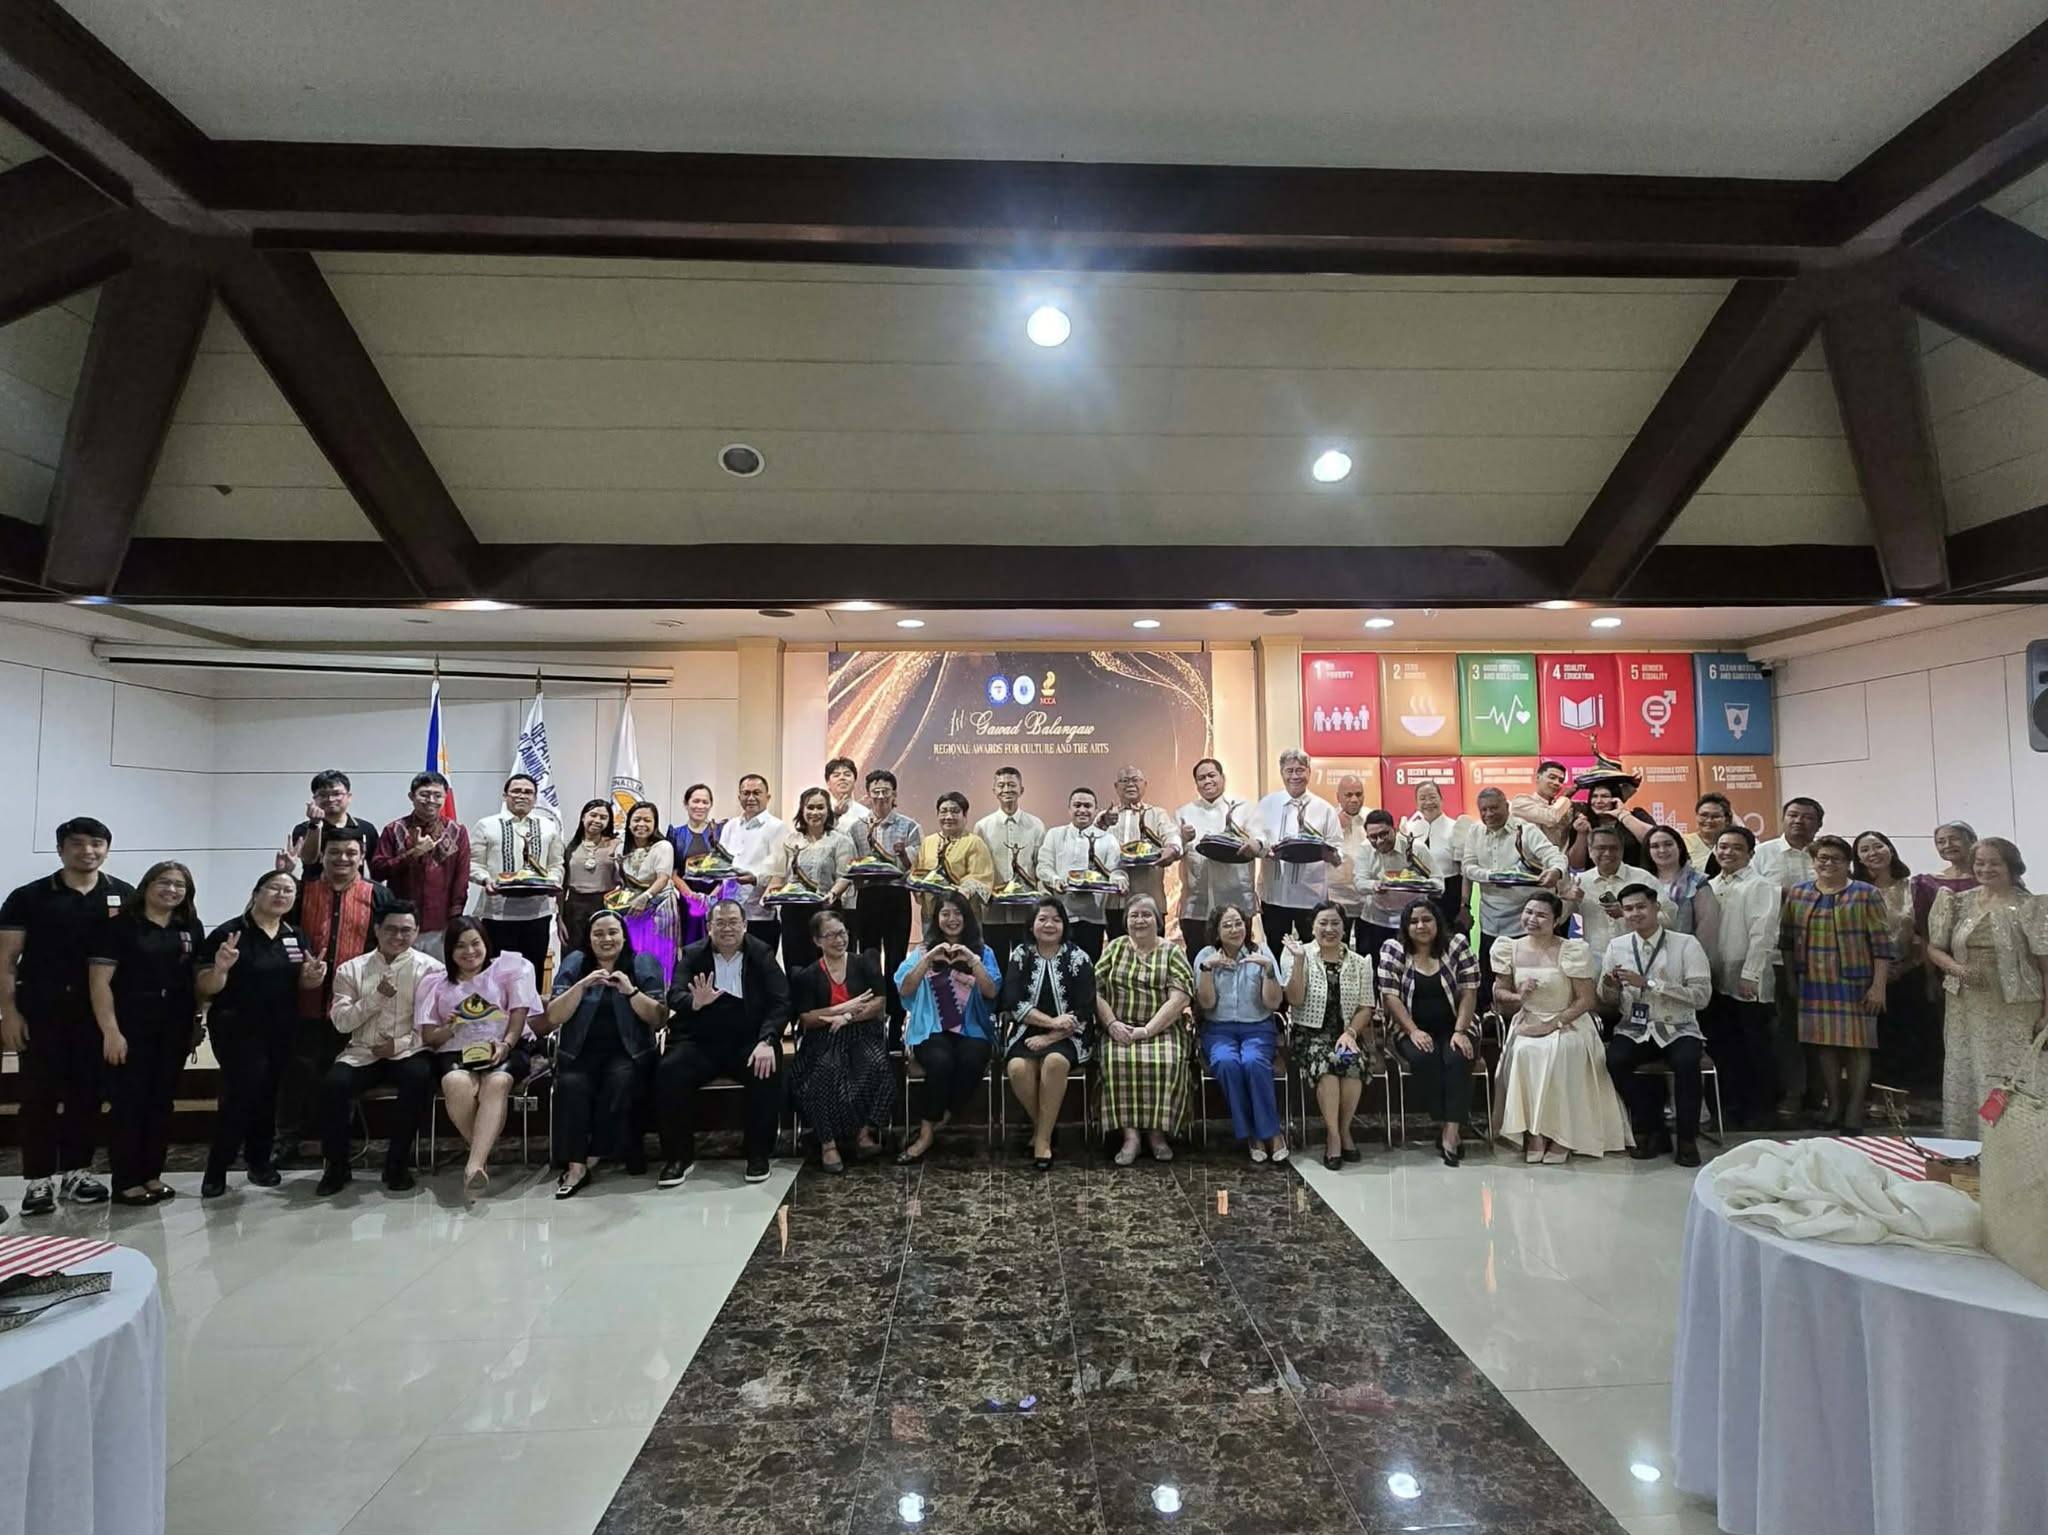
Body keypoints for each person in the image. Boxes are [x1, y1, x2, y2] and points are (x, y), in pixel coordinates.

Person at [0, 817, 134, 1214]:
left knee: (87, 1096)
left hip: (96, 1014)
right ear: (61, 849)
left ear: (107, 849)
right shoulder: (29, 896)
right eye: (77, 843)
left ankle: (77, 1172)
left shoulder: (124, 895)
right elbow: (6, 961)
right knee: (38, 1097)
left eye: (97, 843)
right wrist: (9, 1013)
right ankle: (38, 1180)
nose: (88, 851)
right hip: (41, 1011)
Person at [197, 870, 326, 1198]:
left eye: (288, 891)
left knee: (269, 1095)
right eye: (274, 888)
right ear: (256, 893)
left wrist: (312, 979)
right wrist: (221, 969)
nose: (281, 895)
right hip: (237, 1027)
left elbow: (300, 981)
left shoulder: (295, 935)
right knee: (240, 1095)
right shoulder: (230, 933)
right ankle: (217, 1168)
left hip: (281, 1027)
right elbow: (206, 986)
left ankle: (259, 1162)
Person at [88, 861, 204, 1205]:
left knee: (161, 1102)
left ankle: (152, 1173)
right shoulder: (120, 926)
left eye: (179, 885)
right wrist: (111, 1031)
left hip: (174, 1026)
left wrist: (197, 1020)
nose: (172, 890)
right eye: (164, 882)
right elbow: (99, 983)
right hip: (130, 1025)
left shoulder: (189, 927)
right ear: (147, 885)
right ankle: (126, 1181)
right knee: (129, 1103)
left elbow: (195, 979)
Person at [284, 828, 400, 1163]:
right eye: (334, 852)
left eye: (351, 853)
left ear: (362, 857)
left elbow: (391, 948)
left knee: (342, 1078)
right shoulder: (302, 892)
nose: (343, 859)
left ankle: (338, 1145)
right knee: (299, 1074)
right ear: (322, 855)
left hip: (356, 1006)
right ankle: (290, 1141)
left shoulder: (378, 895)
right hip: (306, 1001)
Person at [1492, 890, 1627, 1163]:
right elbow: (1499, 992)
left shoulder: (1573, 951)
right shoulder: (1508, 947)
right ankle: (1535, 1133)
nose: (1532, 919)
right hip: (1529, 1019)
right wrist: (1519, 996)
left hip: (1569, 1020)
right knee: (1525, 1050)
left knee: (1561, 1051)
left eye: (1541, 915)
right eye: (1529, 912)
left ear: (1556, 921)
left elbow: (1586, 1000)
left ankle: (1562, 1135)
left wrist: (1553, 1024)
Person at [660, 897, 789, 1185]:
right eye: (720, 923)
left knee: (766, 1069)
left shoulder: (762, 954)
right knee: (670, 1071)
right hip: (700, 1040)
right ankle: (678, 1157)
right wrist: (695, 1002)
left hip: (748, 1039)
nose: (727, 929)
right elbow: (674, 995)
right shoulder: (692, 954)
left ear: (745, 925)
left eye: (733, 922)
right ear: (709, 927)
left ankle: (758, 1154)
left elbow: (781, 1002)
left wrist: (768, 1040)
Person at [1926, 837, 2048, 1139]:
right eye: (1980, 863)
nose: (1986, 868)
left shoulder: (2031, 906)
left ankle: (2013, 1143)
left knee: (2013, 1072)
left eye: (1994, 862)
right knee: (1968, 1069)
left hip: (2016, 1005)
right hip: (1965, 1004)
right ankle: (1970, 1142)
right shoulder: (1956, 901)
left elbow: (2046, 966)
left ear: (2011, 866)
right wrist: (1957, 969)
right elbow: (1934, 948)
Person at [315, 903, 440, 1195]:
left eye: (406, 930)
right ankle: (337, 1166)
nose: (398, 936)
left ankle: (397, 1164)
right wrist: (376, 998)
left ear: (417, 932)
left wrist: (398, 1044)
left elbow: (432, 1024)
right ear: (377, 930)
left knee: (419, 1077)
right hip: (362, 1052)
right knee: (333, 1085)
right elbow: (342, 1023)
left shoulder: (431, 970)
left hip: (409, 1050)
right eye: (391, 929)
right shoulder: (351, 969)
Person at [541, 910, 665, 1196]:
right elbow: (554, 1016)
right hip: (579, 1052)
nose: (606, 939)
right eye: (598, 934)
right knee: (571, 1085)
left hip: (629, 1052)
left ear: (624, 936)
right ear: (588, 939)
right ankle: (577, 1167)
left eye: (612, 932)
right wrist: (581, 985)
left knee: (620, 1080)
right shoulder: (576, 962)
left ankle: (590, 1155)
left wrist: (630, 991)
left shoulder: (642, 962)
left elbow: (659, 1018)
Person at [415, 914, 541, 1194]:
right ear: (449, 950)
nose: (469, 951)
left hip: (505, 1047)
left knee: (496, 1083)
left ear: (486, 943)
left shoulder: (508, 969)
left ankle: (474, 1165)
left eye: (475, 943)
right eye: (460, 946)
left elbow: (519, 1014)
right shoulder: (436, 984)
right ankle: (480, 1155)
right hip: (456, 1051)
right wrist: (449, 1028)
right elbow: (430, 1038)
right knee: (454, 1083)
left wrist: (505, 1044)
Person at [1782, 836, 1895, 1132]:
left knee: (1858, 1046)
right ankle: (1833, 1106)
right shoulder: (1798, 893)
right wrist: (1792, 979)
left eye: (1836, 858)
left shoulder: (1866, 894)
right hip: (1813, 981)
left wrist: (1879, 986)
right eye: (1822, 858)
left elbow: (1882, 945)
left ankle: (1854, 1110)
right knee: (1824, 1046)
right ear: (1813, 861)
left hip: (1855, 981)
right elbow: (1786, 941)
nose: (1828, 863)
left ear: (1847, 863)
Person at [1601, 885, 1716, 1164]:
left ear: (1656, 907)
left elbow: (1701, 997)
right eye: (1628, 909)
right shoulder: (1617, 946)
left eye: (1641, 907)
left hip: (1678, 1026)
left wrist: (1650, 983)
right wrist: (1610, 986)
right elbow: (1607, 999)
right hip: (1636, 1027)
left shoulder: (1686, 944)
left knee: (1687, 1062)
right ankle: (1652, 1127)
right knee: (1615, 1060)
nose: (1634, 913)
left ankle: (1687, 1139)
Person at [895, 894, 1002, 1164]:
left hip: (972, 1029)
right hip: (931, 1029)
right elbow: (904, 989)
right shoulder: (922, 951)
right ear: (937, 919)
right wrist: (928, 958)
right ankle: (926, 1134)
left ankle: (941, 1116)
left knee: (972, 1059)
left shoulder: (983, 952)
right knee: (941, 1062)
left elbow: (991, 991)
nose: (952, 919)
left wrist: (972, 960)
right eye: (945, 914)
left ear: (967, 918)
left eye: (957, 913)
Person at [1094, 894, 1196, 1165]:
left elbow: (1180, 998)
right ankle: (1131, 1137)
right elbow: (1094, 990)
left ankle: (1157, 1134)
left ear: (1158, 921)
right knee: (1115, 1060)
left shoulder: (1172, 952)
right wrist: (1112, 1023)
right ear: (1126, 921)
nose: (1140, 920)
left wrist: (1147, 1031)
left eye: (1146, 915)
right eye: (1134, 915)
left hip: (1163, 1029)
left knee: (1169, 1061)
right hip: (1119, 1027)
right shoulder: (1115, 948)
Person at [1378, 898, 1480, 1166]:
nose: (1421, 926)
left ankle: (1451, 1132)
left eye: (1426, 920)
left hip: (1456, 1024)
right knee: (1425, 1058)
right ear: (1405, 926)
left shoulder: (1457, 945)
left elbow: (1469, 991)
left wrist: (1460, 1030)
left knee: (1458, 1057)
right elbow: (1390, 996)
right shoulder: (1394, 949)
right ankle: (1447, 1121)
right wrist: (1413, 1031)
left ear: (1437, 922)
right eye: (1414, 921)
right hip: (1410, 1028)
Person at [787, 909, 891, 1171]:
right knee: (825, 1071)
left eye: (842, 933)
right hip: (824, 1035)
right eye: (831, 935)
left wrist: (847, 1017)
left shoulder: (864, 962)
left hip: (861, 1030)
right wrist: (841, 1009)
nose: (839, 940)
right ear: (817, 941)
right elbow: (807, 1018)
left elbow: (879, 1002)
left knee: (876, 1065)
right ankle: (828, 1143)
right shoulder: (808, 975)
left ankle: (863, 1134)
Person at [996, 897, 1095, 1170]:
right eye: (1043, 919)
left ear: (1064, 925)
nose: (1049, 925)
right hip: (1027, 1030)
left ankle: (1042, 1141)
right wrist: (1051, 1022)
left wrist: (1051, 1036)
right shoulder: (1021, 955)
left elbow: (1085, 1007)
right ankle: (1046, 1127)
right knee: (1017, 1068)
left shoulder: (1079, 957)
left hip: (1071, 1034)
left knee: (1054, 1062)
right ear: (1032, 925)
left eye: (1056, 919)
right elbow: (1012, 1001)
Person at [1281, 900, 1376, 1170]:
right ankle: (1333, 1136)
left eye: (1335, 923)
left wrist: (1351, 1033)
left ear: (1345, 928)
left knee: (1352, 1064)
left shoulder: (1359, 962)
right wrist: (1299, 961)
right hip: (1309, 1034)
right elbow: (1294, 1000)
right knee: (1327, 1067)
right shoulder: (1298, 954)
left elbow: (1366, 1006)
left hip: (1345, 1034)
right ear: (1313, 927)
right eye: (1323, 923)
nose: (1329, 929)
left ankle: (1344, 1130)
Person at [1193, 904, 1287, 1162]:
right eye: (1227, 925)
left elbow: (1273, 1003)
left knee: (1254, 1062)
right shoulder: (1205, 956)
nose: (1235, 929)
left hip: (1257, 1028)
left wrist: (1268, 971)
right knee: (1226, 1063)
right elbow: (1206, 1004)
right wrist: (1207, 969)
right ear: (1216, 931)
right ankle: (1253, 1134)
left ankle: (1271, 1132)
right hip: (1218, 1030)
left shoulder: (1261, 952)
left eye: (1238, 923)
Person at [1462, 787, 1568, 1011]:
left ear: (1507, 806)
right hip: (1490, 923)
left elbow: (1553, 855)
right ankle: (1493, 1022)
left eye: (1494, 808)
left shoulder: (1525, 830)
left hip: (1525, 924)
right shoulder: (1475, 832)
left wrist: (1556, 871)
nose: (1489, 814)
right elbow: (1468, 867)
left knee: (1528, 984)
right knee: (1491, 983)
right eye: (1483, 810)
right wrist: (1492, 876)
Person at [1704, 826, 1781, 1128]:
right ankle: (1730, 1110)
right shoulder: (1709, 885)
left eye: (1737, 848)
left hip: (1748, 979)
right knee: (1726, 1048)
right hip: (1718, 980)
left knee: (1755, 1048)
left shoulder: (1760, 885)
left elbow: (1763, 933)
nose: (1728, 852)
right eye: (1723, 846)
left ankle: (1760, 1112)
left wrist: (1750, 974)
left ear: (1750, 853)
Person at [1754, 795, 1823, 1116]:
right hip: (1778, 954)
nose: (1799, 821)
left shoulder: (1824, 854)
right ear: (1783, 819)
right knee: (1786, 1027)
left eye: (1807, 817)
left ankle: (1821, 1093)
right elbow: (1754, 893)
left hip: (1823, 954)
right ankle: (1793, 1092)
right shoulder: (1763, 852)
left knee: (1822, 1027)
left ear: (1818, 824)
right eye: (1793, 815)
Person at [1853, 830, 1930, 1097]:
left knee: (1908, 1037)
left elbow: (1925, 933)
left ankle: (1903, 1099)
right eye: (1864, 849)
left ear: (1890, 849)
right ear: (1858, 858)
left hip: (1908, 973)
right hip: (1867, 977)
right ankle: (1876, 1098)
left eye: (1878, 846)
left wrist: (1908, 967)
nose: (1872, 853)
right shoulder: (1855, 890)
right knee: (1874, 1040)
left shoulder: (1914, 887)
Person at [471, 773, 568, 972]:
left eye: (528, 792)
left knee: (533, 973)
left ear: (535, 798)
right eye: (516, 791)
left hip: (537, 913)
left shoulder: (549, 826)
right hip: (497, 914)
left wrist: (553, 882)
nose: (522, 795)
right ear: (505, 795)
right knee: (497, 974)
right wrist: (486, 880)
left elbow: (557, 863)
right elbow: (473, 864)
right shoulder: (486, 825)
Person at [370, 772, 470, 958]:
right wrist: (412, 854)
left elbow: (461, 878)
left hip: (441, 924)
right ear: (411, 796)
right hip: (400, 924)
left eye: (437, 795)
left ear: (445, 797)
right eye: (424, 794)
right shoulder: (394, 830)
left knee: (439, 974)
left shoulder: (457, 831)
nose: (431, 800)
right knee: (399, 972)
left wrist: (455, 917)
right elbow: (377, 871)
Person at [1566, 828, 1664, 1004]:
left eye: (1614, 848)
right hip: (1596, 962)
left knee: (1640, 1009)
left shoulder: (1643, 879)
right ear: (1590, 850)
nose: (1608, 853)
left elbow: (1669, 919)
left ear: (1622, 849)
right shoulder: (1580, 881)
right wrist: (1567, 898)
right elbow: (1558, 919)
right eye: (1601, 848)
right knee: (1599, 1010)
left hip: (1640, 961)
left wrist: (1628, 914)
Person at [1255, 750, 1342, 946]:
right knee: (1276, 949)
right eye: (1289, 771)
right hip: (1274, 895)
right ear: (1281, 773)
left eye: (1300, 770)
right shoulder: (1267, 804)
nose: (1295, 776)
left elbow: (1338, 849)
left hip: (1310, 897)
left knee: (1313, 951)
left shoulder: (1325, 809)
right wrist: (1266, 851)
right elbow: (1256, 839)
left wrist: (1331, 855)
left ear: (1309, 772)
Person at [850, 769, 921, 1007]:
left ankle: (896, 1012)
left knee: (896, 955)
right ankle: (871, 1010)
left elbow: (914, 867)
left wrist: (902, 854)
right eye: (876, 791)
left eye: (886, 791)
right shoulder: (857, 827)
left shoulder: (910, 826)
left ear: (894, 794)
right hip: (867, 896)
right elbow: (853, 863)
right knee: (868, 955)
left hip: (896, 896)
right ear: (868, 794)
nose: (881, 796)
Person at [765, 787, 856, 971]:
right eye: (810, 807)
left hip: (825, 911)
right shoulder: (790, 840)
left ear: (828, 811)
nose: (815, 812)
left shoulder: (840, 841)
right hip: (793, 914)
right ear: (802, 810)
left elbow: (845, 876)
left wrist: (832, 894)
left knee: (825, 969)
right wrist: (769, 895)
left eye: (820, 807)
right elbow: (779, 876)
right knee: (795, 967)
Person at [1177, 758, 1259, 952]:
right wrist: (1182, 839)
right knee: (1198, 959)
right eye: (1201, 778)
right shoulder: (1184, 812)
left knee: (1239, 959)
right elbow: (1173, 848)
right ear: (1196, 783)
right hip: (1197, 904)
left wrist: (1254, 844)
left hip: (1236, 901)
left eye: (1211, 775)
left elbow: (1261, 842)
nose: (1207, 781)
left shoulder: (1244, 808)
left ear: (1223, 778)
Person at [1037, 787, 1125, 961]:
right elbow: (1043, 866)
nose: (1082, 810)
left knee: (1088, 966)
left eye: (1087, 806)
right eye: (1077, 805)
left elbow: (1115, 869)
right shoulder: (1055, 835)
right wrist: (1055, 880)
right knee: (1058, 966)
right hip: (1060, 917)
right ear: (1069, 809)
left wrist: (1119, 878)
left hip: (1093, 917)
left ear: (1096, 810)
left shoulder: (1108, 839)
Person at [975, 764, 1046, 977]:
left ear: (1021, 790)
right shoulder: (982, 827)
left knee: (1026, 969)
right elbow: (979, 868)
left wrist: (1042, 897)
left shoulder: (1036, 825)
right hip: (993, 913)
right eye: (1002, 785)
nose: (1007, 789)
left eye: (1012, 785)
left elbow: (1040, 864)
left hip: (1026, 913)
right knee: (994, 968)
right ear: (994, 790)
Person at [1098, 765, 1180, 941]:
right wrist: (1101, 824)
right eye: (1125, 781)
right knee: (1119, 951)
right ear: (1116, 787)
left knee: (1153, 952)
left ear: (1145, 785)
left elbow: (1171, 834)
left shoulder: (1157, 814)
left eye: (1135, 780)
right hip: (1115, 902)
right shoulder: (1106, 817)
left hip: (1150, 899)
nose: (1130, 784)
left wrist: (1173, 848)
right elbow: (1091, 844)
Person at [1351, 807, 1433, 959]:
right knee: (1375, 966)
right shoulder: (1365, 849)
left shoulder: (1416, 848)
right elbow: (1359, 882)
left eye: (1384, 834)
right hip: (1375, 919)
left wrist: (1420, 884)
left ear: (1394, 829)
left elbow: (1438, 882)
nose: (1379, 841)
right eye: (1373, 837)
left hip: (1412, 921)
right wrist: (1374, 885)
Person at [723, 773, 789, 959]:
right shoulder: (730, 826)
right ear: (739, 797)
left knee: (760, 967)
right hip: (730, 912)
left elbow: (780, 870)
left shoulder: (777, 827)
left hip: (760, 913)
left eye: (756, 793)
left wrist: (755, 879)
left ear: (768, 797)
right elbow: (722, 862)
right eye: (746, 793)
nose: (750, 798)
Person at [618, 802, 682, 984]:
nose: (641, 824)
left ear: (655, 824)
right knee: (635, 954)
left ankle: (661, 997)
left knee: (661, 956)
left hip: (660, 907)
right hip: (634, 908)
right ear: (629, 823)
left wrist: (646, 897)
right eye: (637, 820)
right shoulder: (623, 848)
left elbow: (663, 878)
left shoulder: (663, 846)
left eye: (647, 820)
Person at [284, 769, 380, 878]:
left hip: (354, 887)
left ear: (349, 796)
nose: (330, 799)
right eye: (323, 795)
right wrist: (314, 825)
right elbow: (309, 860)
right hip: (314, 887)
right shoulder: (303, 829)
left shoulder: (366, 828)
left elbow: (375, 868)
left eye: (336, 794)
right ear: (314, 799)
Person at [1398, 778, 1467, 930]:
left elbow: (1464, 871)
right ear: (1416, 803)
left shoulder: (1455, 827)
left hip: (1449, 894)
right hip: (1416, 895)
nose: (1428, 802)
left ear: (1441, 799)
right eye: (1422, 798)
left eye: (1432, 797)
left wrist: (1465, 905)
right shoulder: (1409, 829)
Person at [1645, 823, 1720, 953]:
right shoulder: (1642, 880)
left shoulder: (1696, 882)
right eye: (1655, 846)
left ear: (1679, 846)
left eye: (1668, 844)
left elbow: (1707, 930)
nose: (1662, 850)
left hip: (1685, 955)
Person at [558, 799, 621, 952]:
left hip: (605, 904)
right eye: (593, 815)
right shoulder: (568, 846)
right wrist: (559, 918)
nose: (597, 820)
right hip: (574, 907)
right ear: (583, 817)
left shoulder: (616, 844)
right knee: (574, 955)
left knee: (604, 953)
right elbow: (562, 886)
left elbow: (624, 878)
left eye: (603, 817)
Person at [665, 783, 721, 951]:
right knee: (690, 948)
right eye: (696, 801)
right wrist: (690, 895)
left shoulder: (720, 832)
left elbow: (727, 870)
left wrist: (711, 897)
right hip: (687, 902)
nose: (700, 806)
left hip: (716, 900)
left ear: (711, 804)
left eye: (705, 802)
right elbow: (672, 872)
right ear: (686, 803)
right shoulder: (675, 834)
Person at [1565, 782, 1651, 871]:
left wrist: (1623, 815)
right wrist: (1582, 834)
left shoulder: (1636, 816)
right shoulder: (1583, 822)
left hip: (1633, 876)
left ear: (1616, 799)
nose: (1598, 801)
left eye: (1605, 796)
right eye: (1594, 796)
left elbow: (1652, 840)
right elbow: (1576, 865)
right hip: (1597, 878)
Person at [1510, 760, 1575, 851]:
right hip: (1528, 859)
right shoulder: (1521, 802)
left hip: (1558, 859)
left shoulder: (1564, 808)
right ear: (1537, 777)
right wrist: (1565, 797)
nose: (1557, 783)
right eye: (1552, 777)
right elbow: (1551, 817)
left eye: (1561, 781)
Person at [1685, 793, 1734, 868]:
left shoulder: (1735, 844)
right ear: (1696, 816)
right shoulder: (1683, 842)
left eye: (1716, 816)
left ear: (1727, 819)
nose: (1709, 820)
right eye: (1704, 815)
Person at [825, 756, 869, 830]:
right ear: (828, 783)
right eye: (836, 775)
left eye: (847, 775)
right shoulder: (819, 810)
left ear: (855, 781)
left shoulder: (865, 813)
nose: (842, 778)